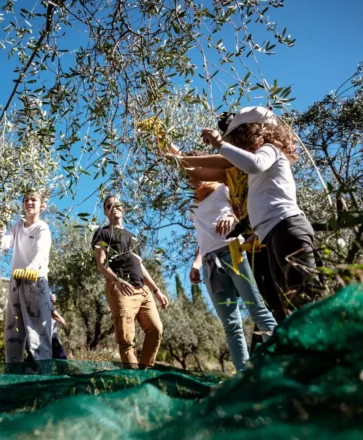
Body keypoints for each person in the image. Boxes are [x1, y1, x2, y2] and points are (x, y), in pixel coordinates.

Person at [201, 106, 322, 313]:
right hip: (274, 233)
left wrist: (220, 144)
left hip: (288, 228)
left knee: (306, 297)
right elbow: (265, 199)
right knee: (290, 302)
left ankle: (327, 343)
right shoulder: (264, 158)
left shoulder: (270, 149)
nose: (238, 143)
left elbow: (255, 164)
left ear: (253, 131)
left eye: (239, 136)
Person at [187, 173, 277, 372]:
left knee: (258, 310)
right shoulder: (192, 205)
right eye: (186, 176)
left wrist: (230, 217)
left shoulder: (222, 186)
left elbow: (242, 212)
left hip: (234, 250)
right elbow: (202, 238)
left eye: (192, 172)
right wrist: (195, 263)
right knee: (230, 323)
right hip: (210, 262)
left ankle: (281, 363)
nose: (190, 178)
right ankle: (243, 375)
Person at [91, 195, 168, 368]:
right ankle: (134, 380)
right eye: (109, 206)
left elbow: (140, 265)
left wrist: (156, 290)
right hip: (121, 289)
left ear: (123, 208)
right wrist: (117, 281)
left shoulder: (132, 236)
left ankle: (145, 372)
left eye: (117, 204)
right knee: (126, 341)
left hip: (142, 291)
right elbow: (101, 263)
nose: (114, 208)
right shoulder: (102, 233)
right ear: (105, 211)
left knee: (156, 330)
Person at [0, 190, 53, 366]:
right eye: (26, 199)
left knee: (37, 331)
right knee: (13, 329)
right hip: (16, 281)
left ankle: (44, 376)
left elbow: (42, 251)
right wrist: (1, 226)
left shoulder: (42, 227)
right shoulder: (17, 227)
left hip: (35, 281)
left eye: (33, 199)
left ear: (42, 206)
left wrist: (31, 268)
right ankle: (12, 375)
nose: (29, 202)